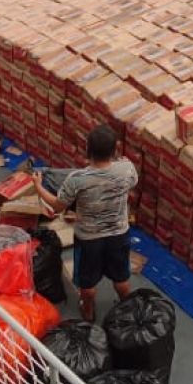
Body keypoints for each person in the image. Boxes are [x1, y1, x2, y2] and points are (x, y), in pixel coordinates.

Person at [36, 124, 137, 321]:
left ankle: (88, 312)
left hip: (90, 239)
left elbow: (57, 206)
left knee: (88, 283)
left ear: (87, 149)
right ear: (116, 148)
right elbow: (132, 182)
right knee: (121, 277)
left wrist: (38, 186)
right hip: (118, 234)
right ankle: (129, 307)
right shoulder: (127, 169)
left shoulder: (77, 179)